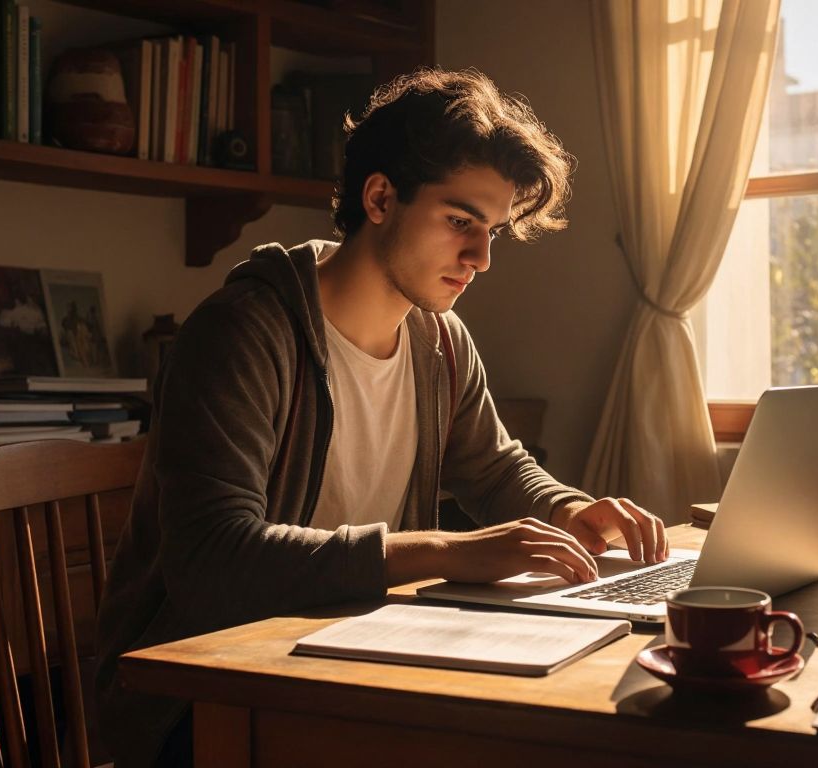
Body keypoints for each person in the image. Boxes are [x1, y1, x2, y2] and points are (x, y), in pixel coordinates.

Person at [94, 68, 667, 767]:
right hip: (205, 706)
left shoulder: (438, 338)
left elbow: (493, 465)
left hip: (347, 663)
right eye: (460, 222)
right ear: (379, 197)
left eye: (492, 232)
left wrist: (572, 510)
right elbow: (213, 561)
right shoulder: (243, 331)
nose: (481, 259)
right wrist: (448, 551)